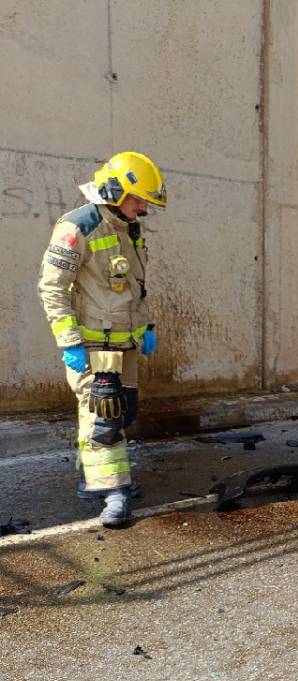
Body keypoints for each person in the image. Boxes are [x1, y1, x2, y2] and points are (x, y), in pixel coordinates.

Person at [37, 151, 167, 527]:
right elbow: (52, 288)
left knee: (122, 411)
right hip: (93, 347)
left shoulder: (128, 228)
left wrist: (146, 327)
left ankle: (95, 477)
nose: (143, 208)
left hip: (125, 344)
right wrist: (70, 341)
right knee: (103, 419)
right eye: (139, 199)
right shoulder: (79, 226)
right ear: (116, 190)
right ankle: (113, 493)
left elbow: (133, 288)